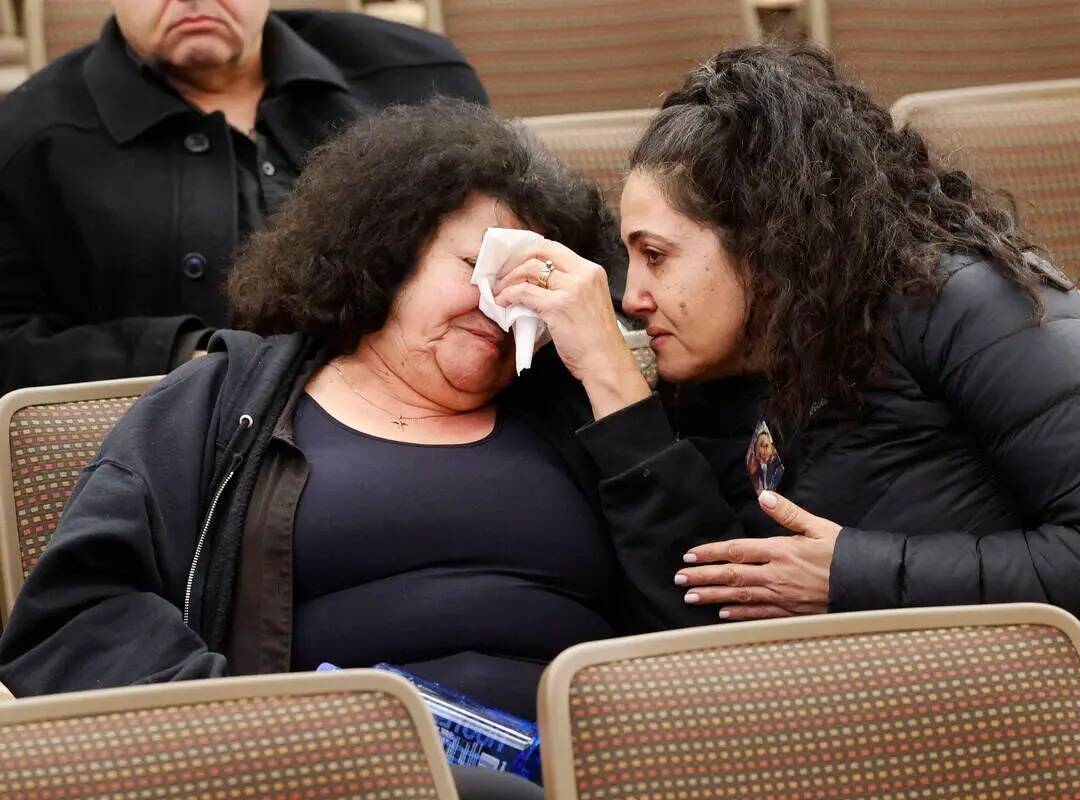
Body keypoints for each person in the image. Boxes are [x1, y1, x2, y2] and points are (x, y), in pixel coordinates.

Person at [489, 44, 1080, 799]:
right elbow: (706, 620)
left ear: (765, 240)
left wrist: (854, 575)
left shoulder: (962, 299)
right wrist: (614, 389)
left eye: (657, 256)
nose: (634, 295)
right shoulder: (731, 370)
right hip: (896, 700)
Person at [0, 100, 649, 800]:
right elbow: (78, 612)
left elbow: (707, 614)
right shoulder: (231, 397)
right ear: (392, 253)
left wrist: (615, 381)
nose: (502, 306)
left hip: (588, 765)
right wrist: (271, 730)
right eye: (481, 266)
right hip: (329, 769)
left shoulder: (580, 411)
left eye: (535, 288)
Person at [0, 0, 487, 394]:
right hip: (194, 453)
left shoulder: (418, 77)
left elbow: (500, 253)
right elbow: (11, 343)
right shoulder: (25, 139)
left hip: (432, 410)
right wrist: (180, 356)